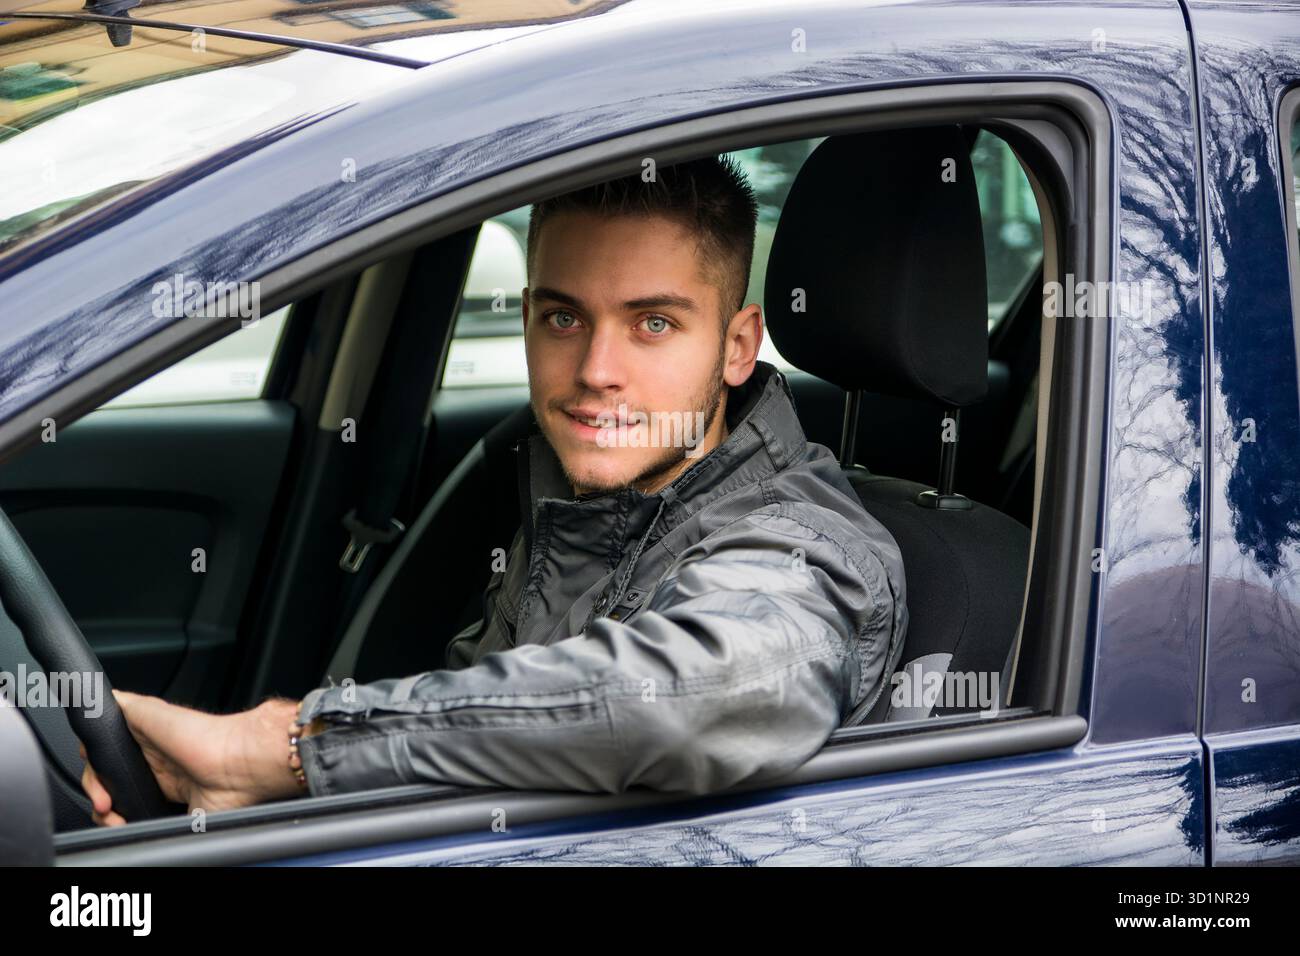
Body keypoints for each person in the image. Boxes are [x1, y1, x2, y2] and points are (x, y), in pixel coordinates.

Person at [80, 156, 907, 827]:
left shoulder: (804, 546)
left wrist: (296, 747)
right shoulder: (579, 509)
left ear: (736, 346)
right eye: (562, 318)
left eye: (653, 323)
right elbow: (484, 757)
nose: (594, 372)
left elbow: (697, 695)